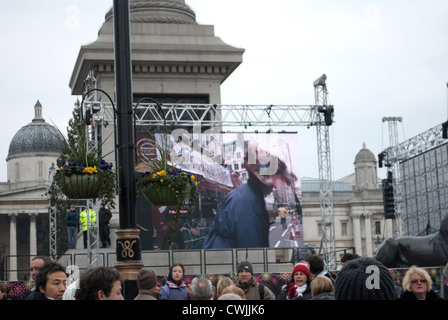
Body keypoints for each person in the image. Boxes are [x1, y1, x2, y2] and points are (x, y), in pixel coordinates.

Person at [203, 143, 296, 249]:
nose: (273, 187)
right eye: (272, 182)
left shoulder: (243, 195)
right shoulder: (248, 203)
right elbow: (251, 249)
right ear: (262, 181)